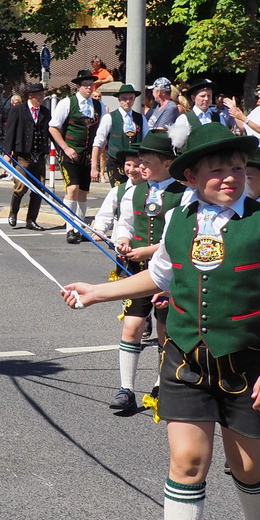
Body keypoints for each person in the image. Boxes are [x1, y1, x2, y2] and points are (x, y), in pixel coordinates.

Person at [62, 122, 260, 520]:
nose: (230, 178)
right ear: (191, 175)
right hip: (185, 356)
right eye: (217, 170)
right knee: (188, 461)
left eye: (238, 168)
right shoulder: (178, 218)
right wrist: (96, 291)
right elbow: (162, 275)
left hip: (249, 361)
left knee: (247, 466)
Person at [108, 130, 185, 415]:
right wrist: (124, 240)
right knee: (132, 325)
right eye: (139, 160)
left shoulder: (184, 194)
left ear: (166, 163)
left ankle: (160, 384)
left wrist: (148, 251)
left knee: (165, 329)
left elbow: (177, 238)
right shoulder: (134, 191)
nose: (140, 166)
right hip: (138, 270)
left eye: (147, 161)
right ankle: (125, 388)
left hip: (170, 272)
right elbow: (125, 224)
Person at [48, 71, 100, 243]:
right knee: (72, 188)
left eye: (91, 85)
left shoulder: (98, 106)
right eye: (85, 85)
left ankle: (80, 227)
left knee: (83, 192)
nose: (88, 88)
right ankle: (70, 228)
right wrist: (65, 147)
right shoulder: (67, 103)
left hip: (87, 155)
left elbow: (101, 134)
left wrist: (96, 160)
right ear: (78, 86)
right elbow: (53, 127)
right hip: (70, 153)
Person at [0, 83, 49, 229]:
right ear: (31, 96)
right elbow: (10, 132)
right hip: (22, 155)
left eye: (43, 94)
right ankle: (13, 212)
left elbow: (49, 132)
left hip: (39, 155)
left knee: (39, 188)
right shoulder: (18, 110)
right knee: (20, 186)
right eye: (39, 94)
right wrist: (7, 152)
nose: (42, 97)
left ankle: (31, 220)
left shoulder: (45, 112)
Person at [92, 83, 144, 184]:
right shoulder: (110, 117)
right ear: (119, 99)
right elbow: (98, 142)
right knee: (118, 193)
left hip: (136, 163)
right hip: (115, 161)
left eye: (131, 98)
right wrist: (94, 167)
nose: (128, 101)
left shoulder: (141, 118)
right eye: (124, 98)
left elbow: (146, 141)